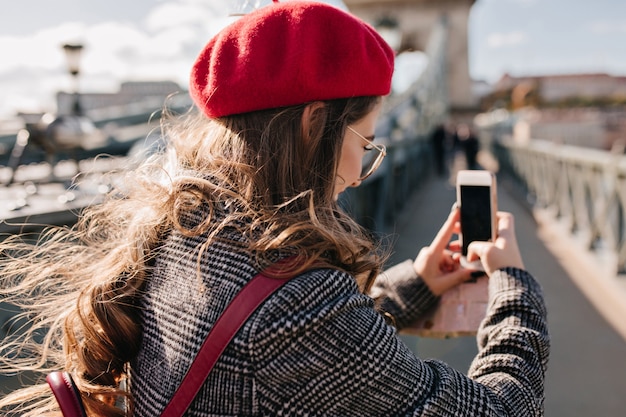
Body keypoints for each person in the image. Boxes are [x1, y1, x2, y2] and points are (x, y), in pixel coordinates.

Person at [0, 1, 549, 416]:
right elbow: (500, 408)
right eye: (365, 143)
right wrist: (515, 285)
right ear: (315, 125)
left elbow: (289, 347)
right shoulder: (302, 306)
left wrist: (419, 282)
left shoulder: (181, 230)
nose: (362, 172)